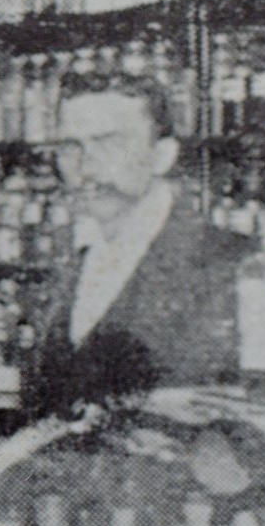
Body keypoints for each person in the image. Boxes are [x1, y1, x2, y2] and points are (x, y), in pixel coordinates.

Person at [19, 73, 249, 427]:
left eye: (109, 144)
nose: (85, 167)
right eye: (70, 148)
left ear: (162, 155)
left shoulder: (228, 264)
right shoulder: (73, 257)